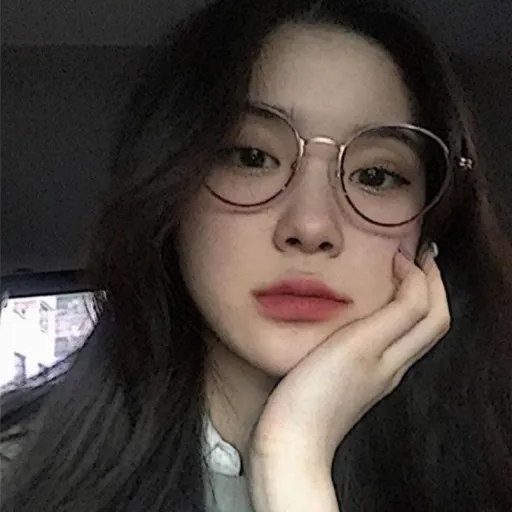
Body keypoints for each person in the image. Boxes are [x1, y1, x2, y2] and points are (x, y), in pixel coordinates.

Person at [1, 0, 511, 510]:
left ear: (430, 227)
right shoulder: (19, 475)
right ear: (172, 191)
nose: (310, 227)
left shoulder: (488, 473)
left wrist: (294, 455)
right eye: (252, 157)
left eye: (375, 176)